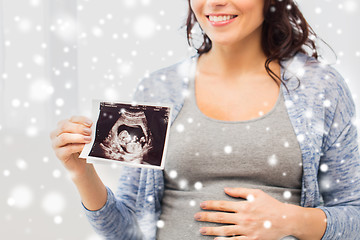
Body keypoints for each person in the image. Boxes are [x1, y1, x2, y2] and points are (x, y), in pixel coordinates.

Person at [50, 0, 360, 239]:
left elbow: (355, 216)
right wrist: (82, 174)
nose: (215, 2)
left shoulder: (319, 88)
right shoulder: (159, 89)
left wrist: (291, 220)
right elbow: (130, 230)